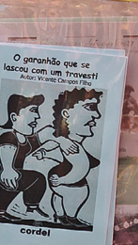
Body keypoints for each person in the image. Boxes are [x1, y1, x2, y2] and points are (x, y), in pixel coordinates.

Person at [27, 88, 105, 226]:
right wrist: (60, 141)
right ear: (66, 114)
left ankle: (63, 216)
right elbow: (45, 134)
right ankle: (67, 217)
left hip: (66, 178)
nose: (97, 115)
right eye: (89, 107)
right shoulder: (61, 139)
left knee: (65, 195)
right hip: (64, 179)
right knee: (72, 194)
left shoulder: (74, 145)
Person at [0, 94, 49, 220]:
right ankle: (31, 208)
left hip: (16, 173)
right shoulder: (9, 136)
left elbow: (42, 139)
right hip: (6, 173)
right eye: (33, 111)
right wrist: (8, 169)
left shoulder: (28, 139)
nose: (38, 116)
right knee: (37, 179)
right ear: (14, 117)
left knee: (8, 193)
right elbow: (6, 151)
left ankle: (0, 213)